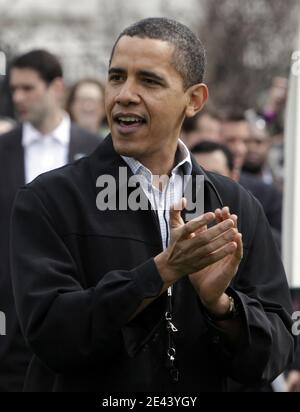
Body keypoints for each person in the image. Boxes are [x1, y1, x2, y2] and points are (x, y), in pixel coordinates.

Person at [10, 18, 295, 392]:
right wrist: (157, 275)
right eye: (116, 77)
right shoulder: (48, 201)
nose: (124, 95)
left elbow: (273, 356)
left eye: (149, 80)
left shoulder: (236, 205)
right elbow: (51, 335)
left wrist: (222, 308)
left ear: (194, 100)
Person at [0, 49, 99, 392]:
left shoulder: (99, 151)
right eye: (14, 89)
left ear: (56, 87)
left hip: (82, 318)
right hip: (10, 327)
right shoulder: (2, 150)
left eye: (28, 88)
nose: (18, 97)